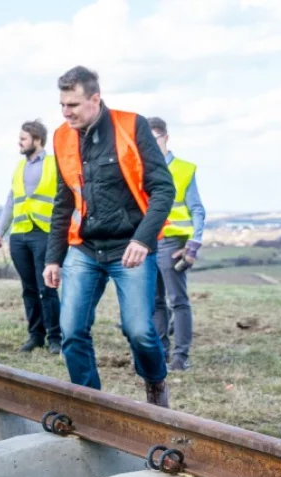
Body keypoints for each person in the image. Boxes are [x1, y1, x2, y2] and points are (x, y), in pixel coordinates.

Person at [43, 66, 175, 407]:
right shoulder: (61, 137)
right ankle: (91, 404)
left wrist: (143, 239)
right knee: (72, 331)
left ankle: (155, 383)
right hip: (84, 249)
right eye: (62, 105)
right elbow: (63, 201)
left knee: (139, 331)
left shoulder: (132, 125)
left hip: (130, 247)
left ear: (95, 99)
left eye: (73, 105)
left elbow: (163, 189)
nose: (66, 112)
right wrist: (53, 258)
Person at [0, 119, 61, 355]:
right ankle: (36, 336)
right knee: (29, 289)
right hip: (19, 235)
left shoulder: (54, 164)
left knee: (47, 288)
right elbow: (11, 201)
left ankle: (55, 337)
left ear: (37, 140)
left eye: (23, 139)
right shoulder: (19, 167)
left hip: (44, 233)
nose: (19, 143)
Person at [148, 117, 206, 372]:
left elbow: (197, 209)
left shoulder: (183, 169)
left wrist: (193, 245)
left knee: (177, 300)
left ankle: (181, 357)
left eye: (155, 139)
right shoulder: (141, 168)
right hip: (148, 242)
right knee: (154, 301)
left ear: (166, 138)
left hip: (173, 243)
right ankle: (161, 352)